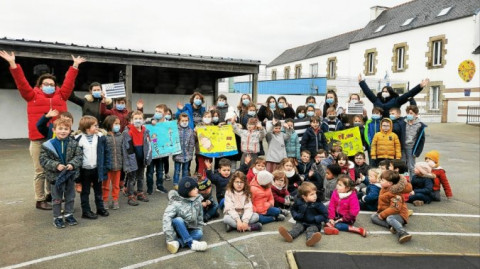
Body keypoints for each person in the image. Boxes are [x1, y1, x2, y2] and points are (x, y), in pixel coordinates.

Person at [0, 50, 86, 210]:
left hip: (56, 140)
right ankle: (40, 200)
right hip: (38, 140)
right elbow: (21, 82)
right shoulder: (31, 95)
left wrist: (74, 66)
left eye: (52, 84)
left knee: (53, 170)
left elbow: (69, 83)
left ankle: (50, 195)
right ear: (40, 85)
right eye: (45, 84)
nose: (49, 86)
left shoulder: (61, 95)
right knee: (40, 171)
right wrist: (13, 64)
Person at [39, 118, 82, 228]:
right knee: (57, 198)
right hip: (55, 177)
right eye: (60, 128)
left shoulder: (73, 143)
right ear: (54, 130)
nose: (63, 131)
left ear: (70, 130)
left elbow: (79, 156)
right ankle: (57, 217)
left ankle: (69, 215)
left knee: (70, 197)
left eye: (66, 129)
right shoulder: (47, 145)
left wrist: (72, 164)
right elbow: (43, 160)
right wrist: (56, 165)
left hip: (69, 175)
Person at [74, 116, 110, 219]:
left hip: (97, 169)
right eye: (95, 125)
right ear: (87, 128)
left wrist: (106, 166)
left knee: (98, 190)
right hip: (84, 170)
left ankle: (100, 208)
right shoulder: (78, 139)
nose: (97, 127)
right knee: (85, 192)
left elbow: (106, 153)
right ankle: (86, 211)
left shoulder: (100, 137)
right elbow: (75, 156)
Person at [163, 176, 208, 254]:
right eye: (194, 189)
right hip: (177, 230)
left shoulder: (197, 200)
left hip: (190, 228)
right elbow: (166, 219)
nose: (197, 190)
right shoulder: (176, 203)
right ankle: (191, 243)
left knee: (199, 234)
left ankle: (178, 243)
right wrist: (170, 238)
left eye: (196, 188)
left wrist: (199, 228)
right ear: (186, 191)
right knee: (178, 220)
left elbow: (200, 217)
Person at [278, 182, 327, 247]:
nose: (315, 196)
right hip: (301, 221)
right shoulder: (299, 202)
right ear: (304, 197)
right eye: (312, 194)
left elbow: (325, 214)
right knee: (297, 228)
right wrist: (296, 216)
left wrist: (316, 219)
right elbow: (293, 209)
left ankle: (310, 240)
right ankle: (289, 235)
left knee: (311, 230)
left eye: (315, 193)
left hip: (314, 223)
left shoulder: (318, 204)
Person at [358, 74, 429, 117]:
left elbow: (409, 94)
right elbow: (368, 92)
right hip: (379, 124)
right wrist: (361, 82)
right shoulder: (376, 100)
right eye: (383, 91)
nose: (384, 92)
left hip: (393, 125)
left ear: (391, 92)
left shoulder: (396, 100)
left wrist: (419, 87)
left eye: (386, 91)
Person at [371, 170, 412, 243]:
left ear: (390, 183)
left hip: (399, 215)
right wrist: (381, 213)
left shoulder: (396, 194)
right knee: (373, 217)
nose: (380, 181)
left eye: (382, 180)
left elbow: (395, 208)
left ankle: (402, 232)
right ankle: (392, 226)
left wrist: (383, 214)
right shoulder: (385, 188)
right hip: (389, 213)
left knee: (390, 218)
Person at [122, 110, 152, 205]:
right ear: (131, 120)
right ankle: (131, 195)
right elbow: (127, 149)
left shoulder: (145, 131)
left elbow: (149, 144)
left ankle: (140, 193)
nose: (138, 120)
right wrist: (129, 163)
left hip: (142, 159)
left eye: (140, 118)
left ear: (143, 120)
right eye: (135, 119)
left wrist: (147, 158)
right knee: (132, 178)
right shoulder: (128, 132)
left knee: (140, 177)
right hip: (132, 159)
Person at [145, 104, 169, 194]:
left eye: (160, 112)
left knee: (160, 171)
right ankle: (149, 187)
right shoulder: (151, 121)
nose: (157, 113)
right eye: (156, 111)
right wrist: (152, 120)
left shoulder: (167, 123)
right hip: (151, 152)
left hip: (162, 152)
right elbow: (145, 121)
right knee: (150, 171)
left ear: (165, 113)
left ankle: (160, 186)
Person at [103, 115, 123, 209]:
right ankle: (105, 200)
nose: (118, 125)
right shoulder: (104, 137)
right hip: (107, 166)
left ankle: (115, 200)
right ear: (109, 124)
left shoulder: (121, 136)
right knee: (105, 185)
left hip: (118, 165)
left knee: (116, 185)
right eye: (116, 124)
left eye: (119, 124)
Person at [172, 113, 195, 189]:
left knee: (185, 171)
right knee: (177, 170)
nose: (184, 122)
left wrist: (190, 155)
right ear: (179, 121)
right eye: (182, 120)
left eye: (186, 120)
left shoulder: (190, 131)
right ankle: (176, 183)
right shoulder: (175, 130)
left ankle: (184, 183)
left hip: (187, 156)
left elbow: (191, 144)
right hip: (178, 155)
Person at [404, 105, 427, 178]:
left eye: (411, 113)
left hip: (411, 148)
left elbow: (421, 140)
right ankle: (404, 181)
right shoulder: (403, 122)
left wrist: (417, 152)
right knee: (403, 165)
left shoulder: (419, 125)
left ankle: (413, 181)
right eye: (408, 113)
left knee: (411, 166)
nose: (409, 115)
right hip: (403, 147)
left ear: (416, 114)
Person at [194, 111, 214, 178]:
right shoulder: (198, 126)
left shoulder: (213, 126)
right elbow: (194, 139)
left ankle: (207, 179)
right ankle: (201, 180)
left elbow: (216, 138)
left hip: (210, 150)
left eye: (209, 117)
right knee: (201, 166)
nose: (207, 118)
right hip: (200, 151)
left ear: (211, 118)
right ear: (202, 118)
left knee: (208, 165)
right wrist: (195, 132)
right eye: (205, 117)